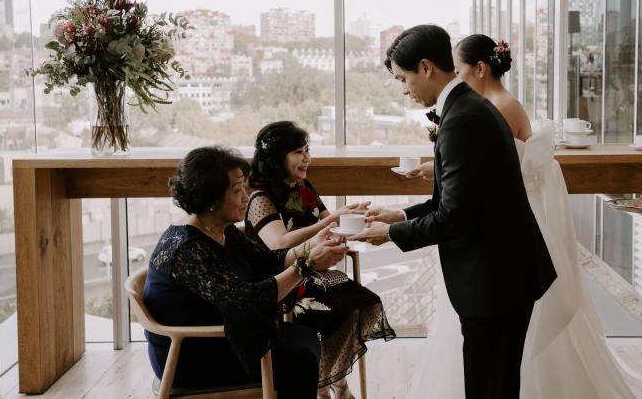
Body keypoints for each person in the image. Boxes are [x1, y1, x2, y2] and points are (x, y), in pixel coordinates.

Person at [404, 34, 642, 399]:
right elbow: (477, 176)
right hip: (499, 247)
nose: (405, 89)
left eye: (404, 79)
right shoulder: (480, 109)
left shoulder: (487, 111)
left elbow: (475, 191)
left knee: (494, 369)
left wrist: (394, 229)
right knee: (495, 367)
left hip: (496, 252)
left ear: (478, 68)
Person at [349, 24, 557, 399]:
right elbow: (458, 200)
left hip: (495, 280)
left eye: (403, 78)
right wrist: (398, 215)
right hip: (504, 274)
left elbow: (456, 217)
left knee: (489, 386)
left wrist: (389, 235)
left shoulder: (463, 119)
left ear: (426, 67)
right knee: (496, 383)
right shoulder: (468, 107)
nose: (404, 90)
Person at [143, 146, 347, 398]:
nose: (246, 196)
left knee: (303, 340)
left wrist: (313, 245)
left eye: (244, 187)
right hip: (193, 355)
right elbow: (246, 301)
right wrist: (307, 265)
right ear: (211, 198)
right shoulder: (187, 247)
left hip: (221, 336)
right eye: (236, 189)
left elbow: (267, 262)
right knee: (300, 353)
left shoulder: (219, 228)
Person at [245, 121, 395, 399]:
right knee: (339, 309)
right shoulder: (259, 198)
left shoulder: (302, 186)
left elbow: (327, 223)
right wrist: (332, 220)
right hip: (282, 281)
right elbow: (278, 244)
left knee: (365, 305)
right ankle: (328, 384)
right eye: (298, 152)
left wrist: (353, 217)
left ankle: (326, 379)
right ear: (277, 158)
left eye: (307, 150)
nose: (306, 158)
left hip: (315, 271)